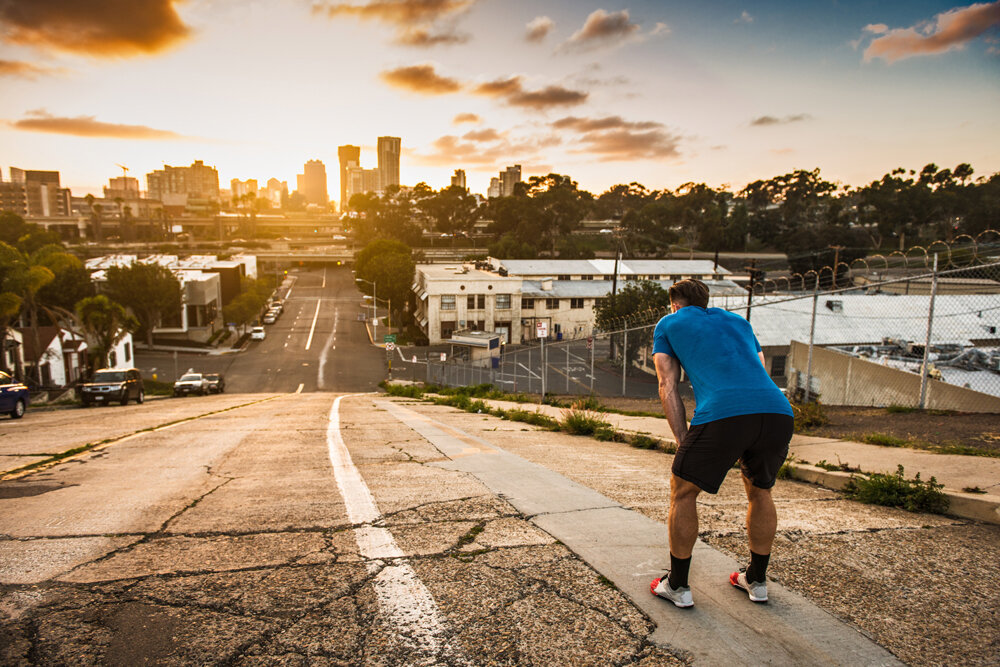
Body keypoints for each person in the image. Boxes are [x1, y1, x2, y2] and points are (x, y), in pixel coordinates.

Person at [648, 279, 793, 608]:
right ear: (705, 300)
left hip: (724, 412)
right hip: (777, 411)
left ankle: (678, 586)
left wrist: (683, 439)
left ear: (674, 304)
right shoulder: (739, 322)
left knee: (683, 490)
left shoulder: (669, 323)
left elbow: (666, 383)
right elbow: (755, 367)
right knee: (760, 490)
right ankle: (756, 582)